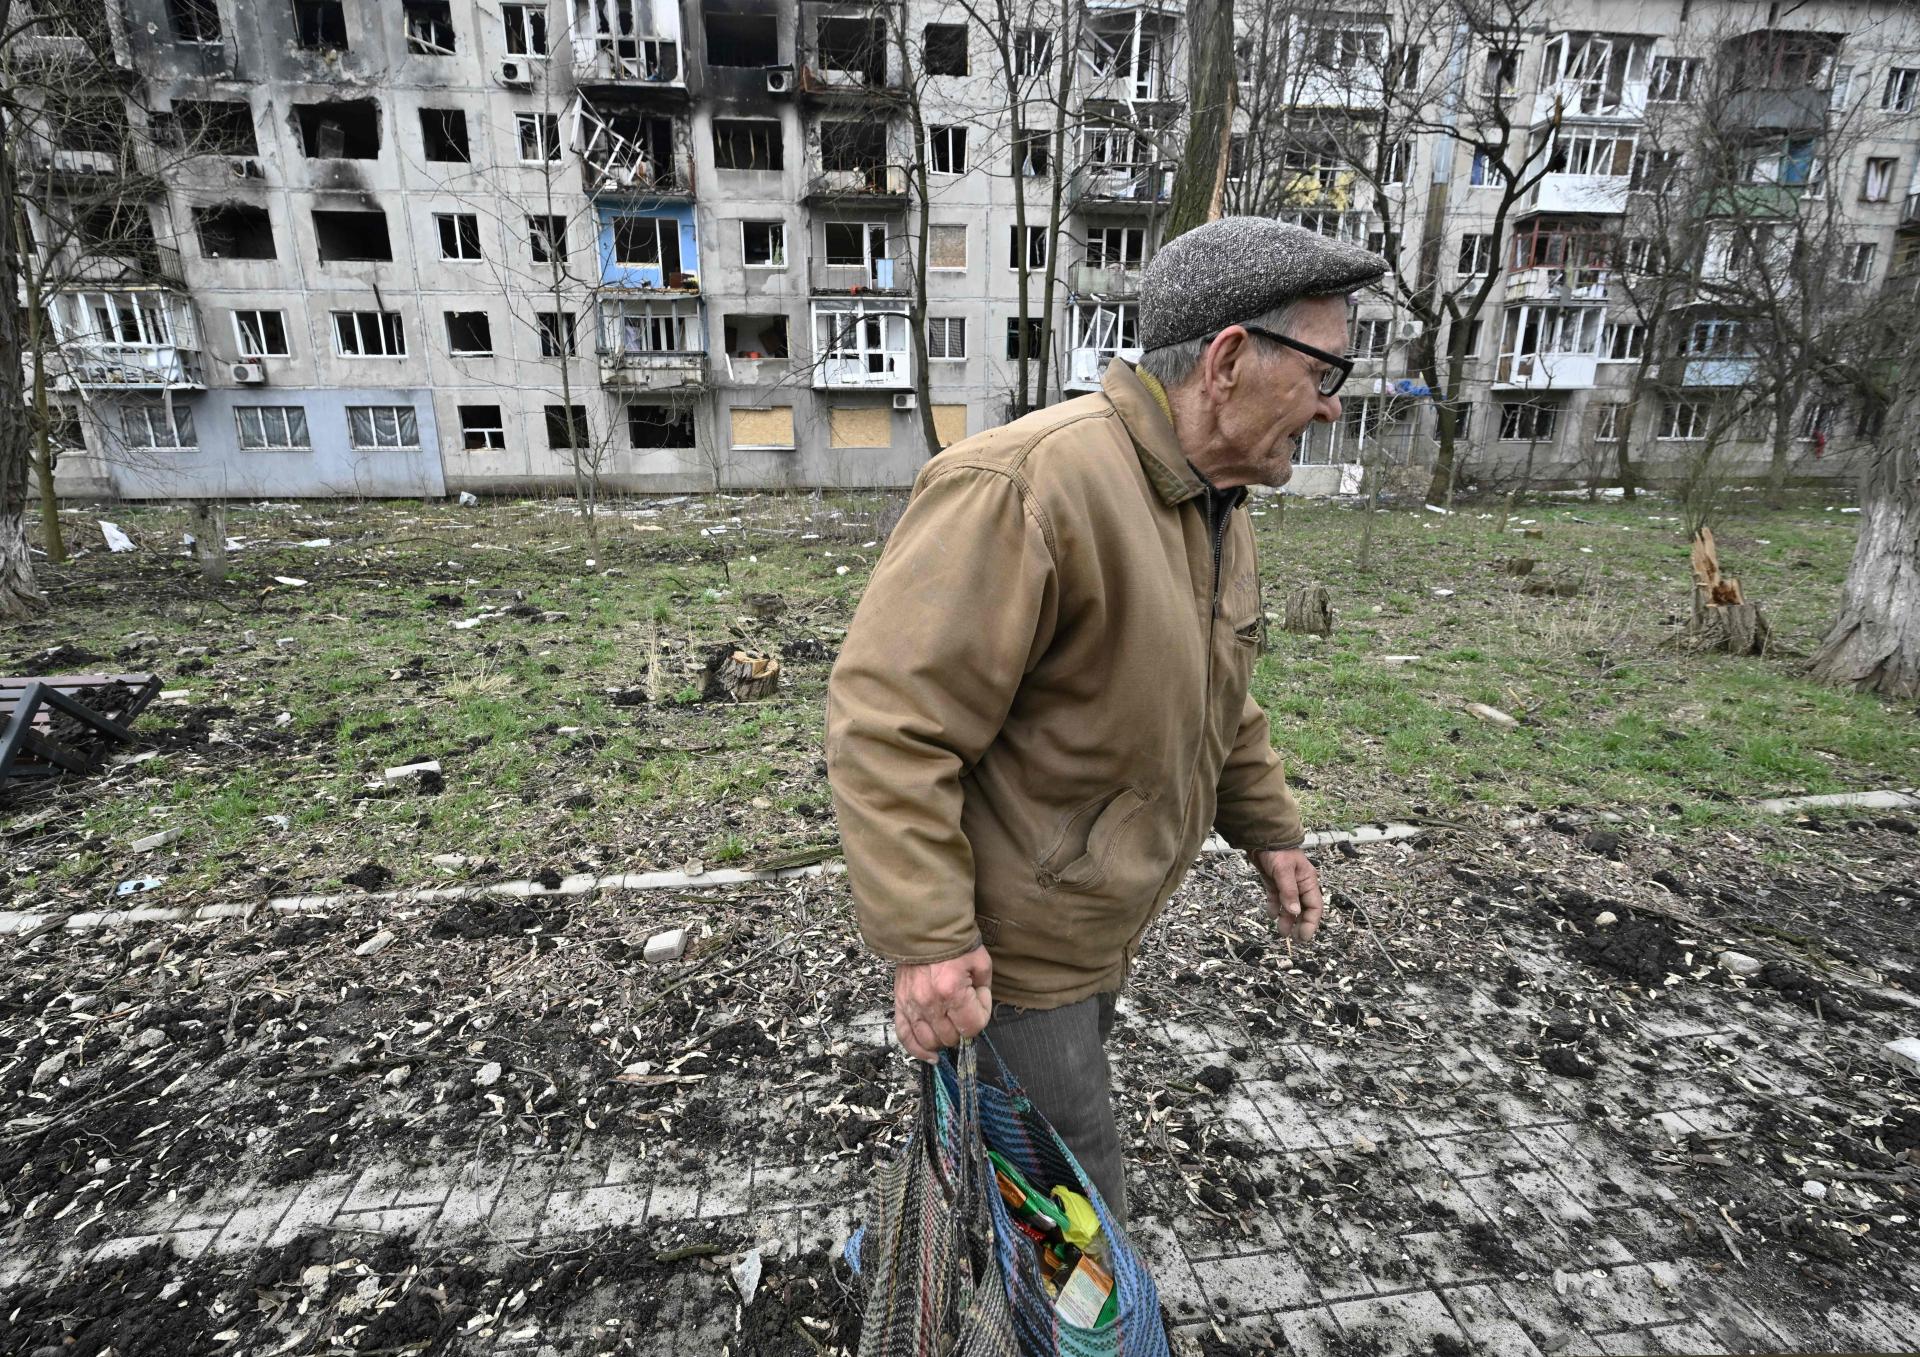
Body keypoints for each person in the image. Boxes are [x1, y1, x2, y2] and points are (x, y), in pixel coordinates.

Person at [826, 218, 1388, 1224]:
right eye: (1324, 373)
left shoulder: (1212, 502)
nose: (1330, 408)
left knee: (1003, 1207)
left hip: (1097, 928)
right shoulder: (1031, 487)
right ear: (1227, 360)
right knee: (1076, 1231)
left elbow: (1222, 695)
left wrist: (1270, 830)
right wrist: (928, 940)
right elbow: (890, 722)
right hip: (1010, 961)